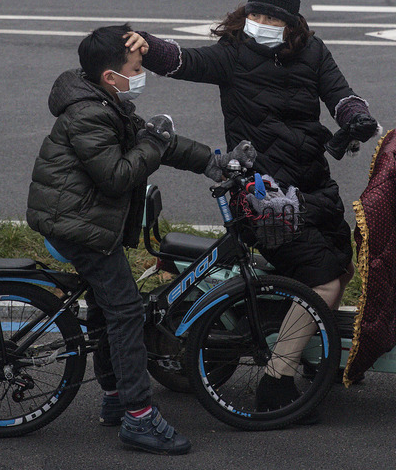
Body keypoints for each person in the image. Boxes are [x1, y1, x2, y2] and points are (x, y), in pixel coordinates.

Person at [124, 0, 380, 414]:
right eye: (255, 12)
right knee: (323, 281)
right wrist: (146, 43)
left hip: (313, 188)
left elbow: (342, 96)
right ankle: (277, 382)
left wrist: (356, 118)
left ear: (292, 23)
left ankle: (304, 352)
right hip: (265, 198)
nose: (261, 21)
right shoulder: (232, 54)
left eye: (272, 16)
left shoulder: (314, 54)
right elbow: (183, 60)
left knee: (340, 269)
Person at [26, 24, 255, 455]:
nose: (141, 72)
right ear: (112, 76)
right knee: (127, 312)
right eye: (136, 66)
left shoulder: (100, 98)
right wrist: (153, 138)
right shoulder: (90, 113)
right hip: (78, 224)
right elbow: (118, 176)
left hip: (79, 216)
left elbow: (158, 145)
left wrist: (215, 161)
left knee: (106, 305)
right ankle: (138, 419)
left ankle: (114, 398)